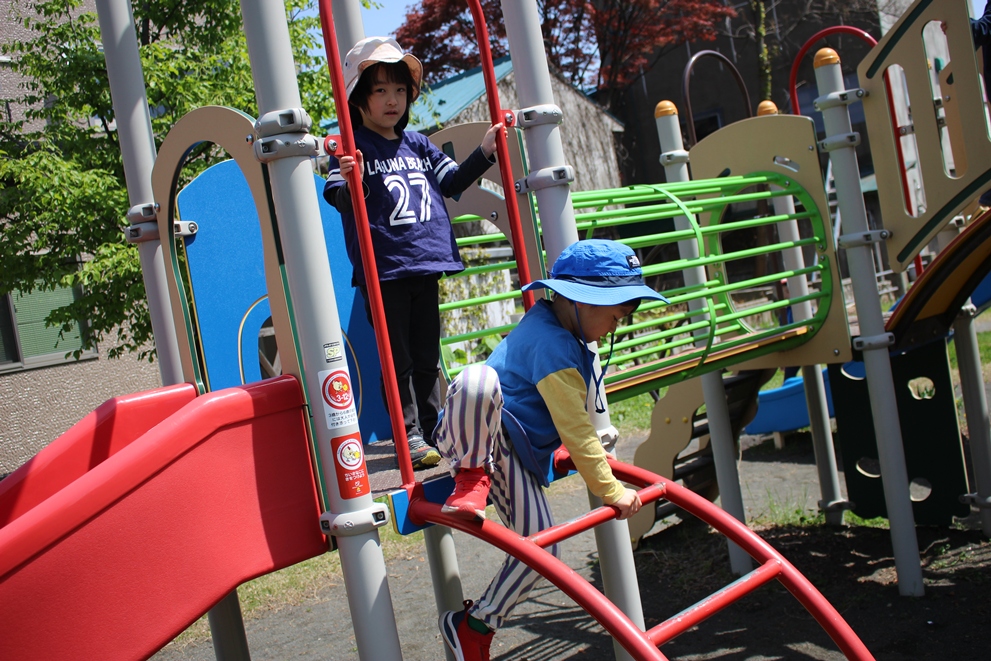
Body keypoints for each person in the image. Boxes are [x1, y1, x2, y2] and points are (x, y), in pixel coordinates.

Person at [433, 239, 669, 661]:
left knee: (542, 549)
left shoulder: (563, 332)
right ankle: (470, 479)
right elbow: (577, 427)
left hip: (512, 452)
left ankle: (474, 626)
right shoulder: (552, 342)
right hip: (473, 434)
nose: (614, 328)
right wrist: (610, 489)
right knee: (477, 379)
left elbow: (558, 411)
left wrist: (560, 450)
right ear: (583, 300)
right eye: (614, 317)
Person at [323, 37, 504, 470]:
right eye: (380, 90)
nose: (392, 100)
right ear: (359, 98)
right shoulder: (351, 149)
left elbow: (453, 183)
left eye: (400, 90)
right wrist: (351, 179)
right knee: (397, 358)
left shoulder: (419, 145)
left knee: (426, 355)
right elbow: (338, 198)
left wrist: (485, 152)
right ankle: (408, 434)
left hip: (425, 263)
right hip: (385, 270)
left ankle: (433, 426)